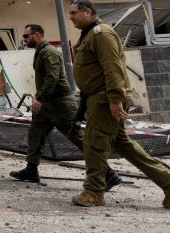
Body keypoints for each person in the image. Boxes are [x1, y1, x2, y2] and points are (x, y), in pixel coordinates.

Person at [68, 0, 170, 207]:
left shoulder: (101, 34)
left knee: (94, 144)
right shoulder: (90, 35)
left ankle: (93, 192)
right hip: (99, 98)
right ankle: (169, 180)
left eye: (74, 13)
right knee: (123, 144)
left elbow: (113, 69)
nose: (71, 18)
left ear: (87, 12)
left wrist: (114, 100)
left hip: (105, 98)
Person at [10, 24, 121, 191]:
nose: (24, 40)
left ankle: (108, 174)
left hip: (60, 104)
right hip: (47, 105)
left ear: (37, 35)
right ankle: (31, 169)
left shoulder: (49, 52)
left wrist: (39, 97)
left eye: (26, 36)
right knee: (35, 134)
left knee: (79, 139)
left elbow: (52, 77)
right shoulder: (41, 52)